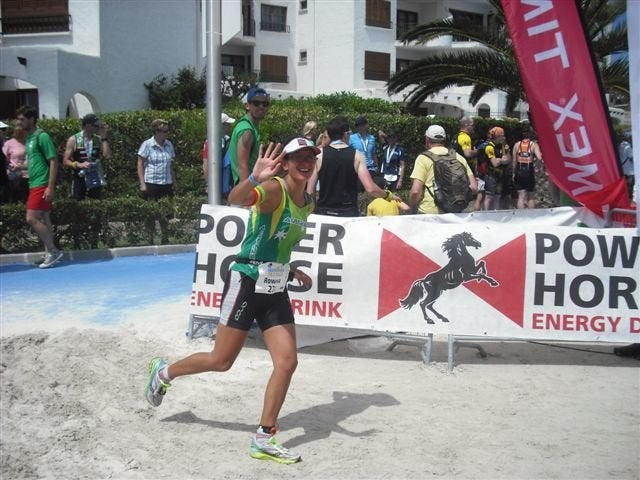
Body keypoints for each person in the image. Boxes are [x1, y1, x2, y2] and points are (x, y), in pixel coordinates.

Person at [145, 139, 318, 464]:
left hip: (275, 285)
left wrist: (291, 268)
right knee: (221, 361)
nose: (305, 162)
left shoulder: (307, 201)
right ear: (286, 163)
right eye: (298, 157)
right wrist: (254, 178)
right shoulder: (275, 190)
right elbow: (236, 199)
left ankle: (264, 438)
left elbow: (280, 243)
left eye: (310, 157)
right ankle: (164, 372)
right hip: (247, 282)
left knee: (287, 362)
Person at [306, 116, 399, 217]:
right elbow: (371, 188)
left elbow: (310, 191)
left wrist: (312, 211)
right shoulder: (357, 155)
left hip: (324, 212)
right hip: (348, 212)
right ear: (345, 134)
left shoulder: (319, 155)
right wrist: (388, 195)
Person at [16, 105, 63, 268]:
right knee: (44, 218)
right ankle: (49, 252)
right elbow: (32, 162)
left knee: (31, 218)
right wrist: (20, 167)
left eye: (22, 119)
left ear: (31, 119)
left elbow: (53, 160)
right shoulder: (29, 138)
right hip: (34, 182)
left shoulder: (42, 136)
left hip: (41, 184)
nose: (18, 122)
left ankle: (53, 251)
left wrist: (50, 186)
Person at [409, 125, 477, 214]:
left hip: (429, 212)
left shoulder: (423, 158)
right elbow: (474, 188)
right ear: (444, 140)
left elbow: (415, 191)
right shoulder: (458, 157)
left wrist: (412, 206)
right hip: (455, 212)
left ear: (427, 139)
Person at [137, 118, 176, 244]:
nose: (165, 133)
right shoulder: (147, 144)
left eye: (167, 130)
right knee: (151, 213)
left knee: (165, 212)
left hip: (166, 182)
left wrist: (174, 181)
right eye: (163, 130)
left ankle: (165, 237)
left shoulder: (169, 144)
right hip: (151, 182)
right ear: (156, 131)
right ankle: (150, 238)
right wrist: (142, 183)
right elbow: (140, 164)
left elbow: (171, 164)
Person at [62, 113, 111, 201]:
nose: (97, 127)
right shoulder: (74, 139)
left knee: (96, 205)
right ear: (88, 125)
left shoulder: (98, 139)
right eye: (95, 125)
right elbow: (65, 161)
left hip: (95, 178)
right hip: (80, 177)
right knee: (78, 205)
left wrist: (104, 138)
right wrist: (79, 165)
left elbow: (107, 156)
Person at [228, 87, 269, 186]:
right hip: (246, 189)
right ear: (247, 106)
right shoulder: (247, 131)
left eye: (265, 104)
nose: (261, 106)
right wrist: (246, 194)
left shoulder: (248, 126)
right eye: (256, 103)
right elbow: (242, 166)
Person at [202, 112, 236, 201]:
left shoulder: (227, 140)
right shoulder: (210, 142)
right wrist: (209, 184)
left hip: (226, 184)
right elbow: (206, 164)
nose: (229, 127)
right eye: (227, 124)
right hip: (215, 185)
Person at [477, 126, 511, 211]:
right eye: (502, 135)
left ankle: (496, 214)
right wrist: (501, 160)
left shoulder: (503, 146)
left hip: (500, 174)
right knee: (489, 197)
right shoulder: (489, 147)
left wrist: (507, 152)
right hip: (490, 175)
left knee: (497, 196)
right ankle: (486, 214)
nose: (504, 137)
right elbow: (495, 163)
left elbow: (508, 160)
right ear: (497, 136)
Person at [512, 126, 543, 209]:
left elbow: (514, 161)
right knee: (531, 196)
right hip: (529, 171)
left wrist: (513, 173)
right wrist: (538, 167)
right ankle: (530, 217)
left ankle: (521, 217)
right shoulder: (534, 145)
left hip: (519, 170)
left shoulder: (516, 145)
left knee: (521, 196)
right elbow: (539, 158)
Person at [3, 125, 29, 203]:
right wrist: (7, 170)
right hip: (14, 174)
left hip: (28, 173)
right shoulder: (9, 143)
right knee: (16, 197)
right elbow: (3, 158)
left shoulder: (30, 142)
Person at [619, 131, 633, 200]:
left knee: (624, 183)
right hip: (629, 169)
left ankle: (624, 196)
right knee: (630, 184)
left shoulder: (621, 145)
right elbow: (631, 156)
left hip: (623, 168)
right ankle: (629, 197)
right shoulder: (627, 146)